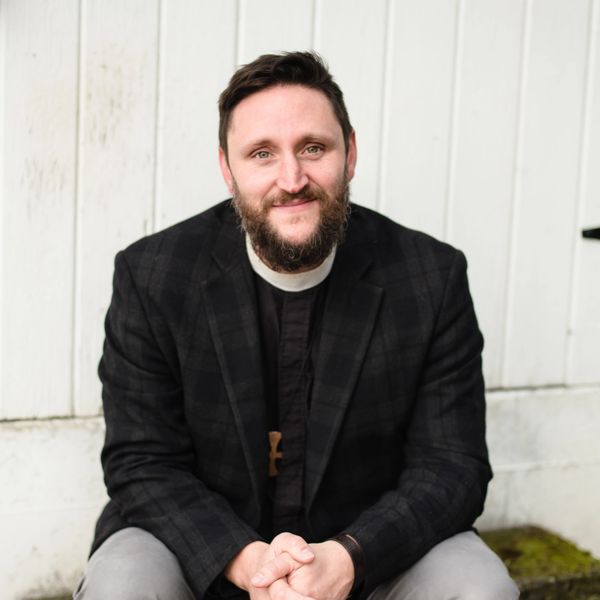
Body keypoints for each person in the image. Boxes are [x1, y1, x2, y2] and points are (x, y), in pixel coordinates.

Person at [75, 51, 519, 600]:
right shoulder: (152, 277)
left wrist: (349, 556)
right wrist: (245, 559)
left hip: (367, 554)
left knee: (478, 587)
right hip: (201, 554)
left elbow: (452, 467)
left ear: (349, 152)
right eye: (262, 153)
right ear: (227, 168)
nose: (292, 179)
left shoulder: (431, 276)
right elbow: (141, 461)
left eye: (313, 148)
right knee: (123, 586)